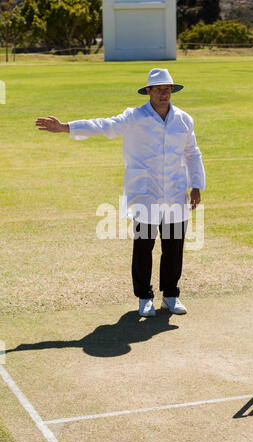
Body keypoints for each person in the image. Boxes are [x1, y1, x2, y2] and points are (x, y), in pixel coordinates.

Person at [35, 68, 205, 318]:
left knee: (174, 248)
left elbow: (192, 152)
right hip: (145, 192)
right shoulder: (133, 117)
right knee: (143, 247)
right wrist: (66, 127)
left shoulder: (184, 119)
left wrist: (196, 186)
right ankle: (144, 298)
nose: (163, 94)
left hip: (175, 192)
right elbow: (103, 125)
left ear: (172, 91)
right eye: (158, 90)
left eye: (167, 89)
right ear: (148, 91)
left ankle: (170, 296)